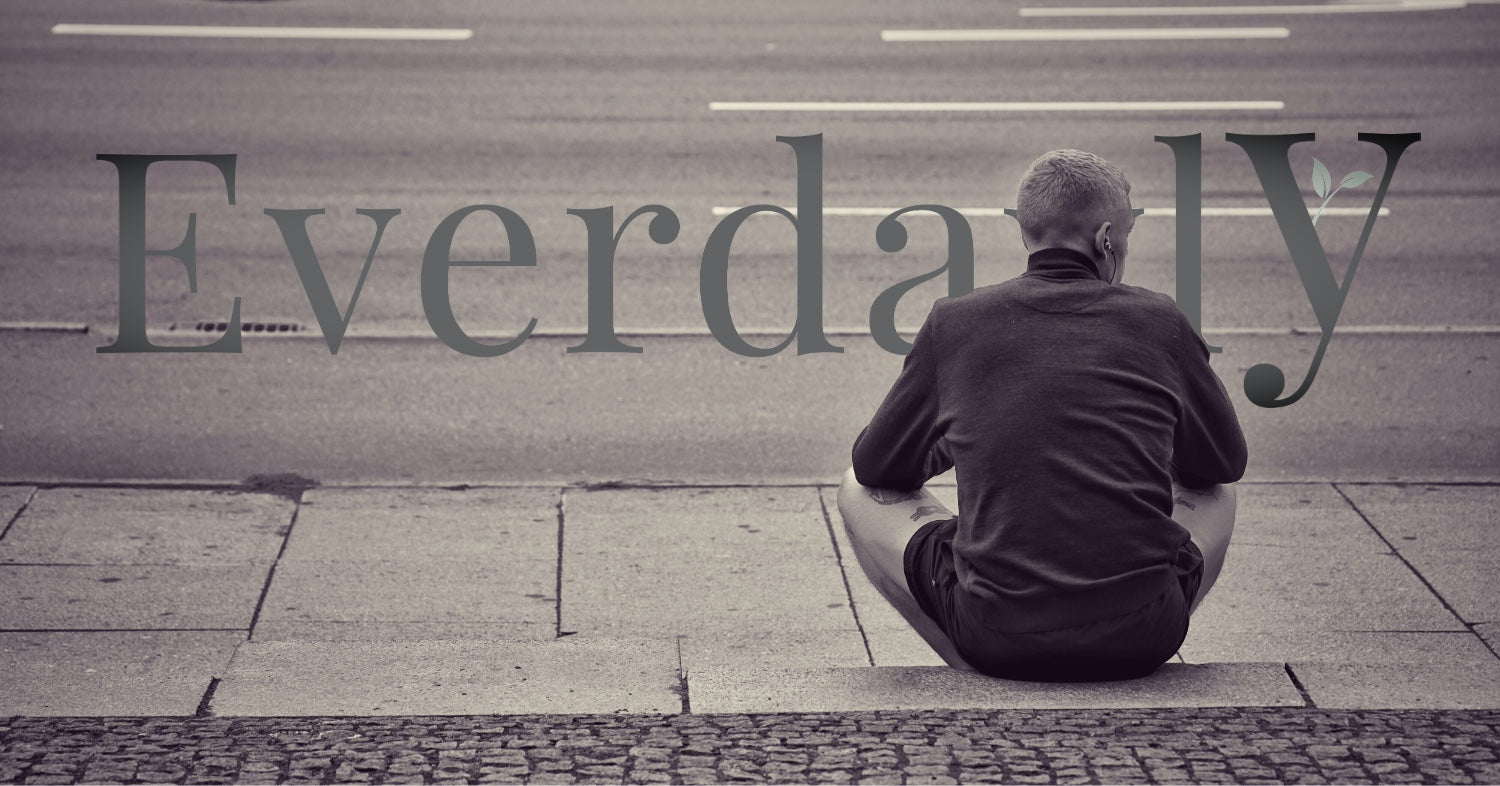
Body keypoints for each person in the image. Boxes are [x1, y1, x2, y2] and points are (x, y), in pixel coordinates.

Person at [837, 149, 1247, 681]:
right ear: (1106, 240)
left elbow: (877, 467)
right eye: (1126, 235)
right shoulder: (1160, 321)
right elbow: (1221, 463)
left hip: (996, 634)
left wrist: (965, 437)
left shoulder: (955, 321)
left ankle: (975, 669)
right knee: (1217, 491)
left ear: (1026, 231)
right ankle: (1121, 620)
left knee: (854, 489)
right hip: (1145, 636)